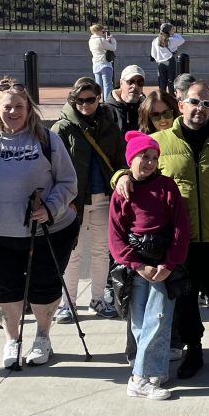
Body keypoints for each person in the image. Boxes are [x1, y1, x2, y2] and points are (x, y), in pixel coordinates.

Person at [118, 80, 209, 379]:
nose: (199, 109)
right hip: (180, 241)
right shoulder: (160, 141)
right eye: (193, 102)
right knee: (186, 301)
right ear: (181, 105)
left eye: (206, 104)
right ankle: (194, 349)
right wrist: (122, 176)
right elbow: (135, 164)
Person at [0, 78, 78, 369]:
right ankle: (12, 339)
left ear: (29, 108)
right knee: (5, 289)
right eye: (7, 106)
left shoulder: (47, 139)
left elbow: (68, 181)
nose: (13, 112)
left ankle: (42, 338)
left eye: (19, 106)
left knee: (44, 287)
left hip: (47, 231)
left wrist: (49, 208)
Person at [108, 131, 191, 400]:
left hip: (162, 263)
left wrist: (169, 263)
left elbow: (180, 228)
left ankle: (142, 376)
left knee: (159, 316)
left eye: (154, 158)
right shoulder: (122, 193)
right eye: (144, 156)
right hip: (137, 266)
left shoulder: (167, 186)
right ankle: (145, 372)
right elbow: (116, 236)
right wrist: (136, 264)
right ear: (131, 160)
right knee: (140, 320)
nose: (150, 162)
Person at [51, 78, 125, 323]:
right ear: (73, 100)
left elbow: (119, 158)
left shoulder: (108, 124)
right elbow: (53, 167)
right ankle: (68, 303)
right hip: (75, 200)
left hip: (103, 195)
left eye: (90, 99)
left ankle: (98, 299)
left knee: (101, 251)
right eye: (80, 100)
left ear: (98, 98)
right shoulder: (62, 128)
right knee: (73, 252)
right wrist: (62, 199)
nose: (85, 105)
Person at [108, 65, 146, 134]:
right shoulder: (107, 110)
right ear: (121, 83)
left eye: (140, 82)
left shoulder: (147, 109)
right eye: (130, 81)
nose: (135, 86)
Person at [151, 22, 184, 95]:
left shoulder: (155, 40)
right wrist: (173, 34)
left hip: (160, 63)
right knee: (171, 81)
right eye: (172, 29)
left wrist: (158, 60)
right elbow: (182, 40)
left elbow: (153, 54)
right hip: (170, 62)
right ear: (168, 31)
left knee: (162, 81)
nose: (173, 31)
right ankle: (172, 97)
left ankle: (162, 97)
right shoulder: (171, 40)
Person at [88, 24, 116, 101]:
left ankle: (97, 100)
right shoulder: (101, 40)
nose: (103, 33)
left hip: (96, 64)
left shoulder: (91, 40)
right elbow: (113, 48)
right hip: (105, 64)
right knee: (107, 85)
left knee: (98, 85)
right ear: (99, 31)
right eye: (103, 31)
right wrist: (112, 40)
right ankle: (107, 101)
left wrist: (105, 41)